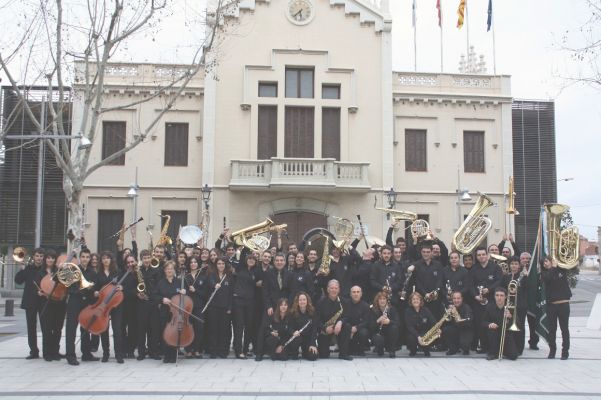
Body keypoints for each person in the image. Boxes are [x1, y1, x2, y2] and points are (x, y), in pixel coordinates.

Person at [64, 248, 98, 365]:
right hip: (74, 301)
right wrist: (84, 289)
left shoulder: (92, 272)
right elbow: (69, 287)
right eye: (83, 257)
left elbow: (94, 288)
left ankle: (86, 354)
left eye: (87, 257)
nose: (85, 259)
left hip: (86, 303)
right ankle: (70, 356)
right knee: (71, 329)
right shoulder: (73, 270)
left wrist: (93, 290)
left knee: (86, 328)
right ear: (80, 258)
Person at [94, 251, 126, 363]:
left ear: (111, 260)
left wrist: (122, 287)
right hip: (104, 305)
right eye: (103, 258)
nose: (106, 260)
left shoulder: (117, 272)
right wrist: (96, 292)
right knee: (104, 329)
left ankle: (118, 354)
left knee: (117, 329)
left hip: (116, 304)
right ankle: (106, 354)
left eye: (108, 258)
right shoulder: (98, 274)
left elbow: (124, 284)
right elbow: (96, 288)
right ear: (101, 261)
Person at [471, 247, 503, 353]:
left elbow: (499, 281)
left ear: (487, 255)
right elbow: (470, 285)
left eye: (483, 254)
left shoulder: (496, 267)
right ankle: (483, 346)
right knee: (480, 323)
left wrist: (489, 289)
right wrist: (475, 296)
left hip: (492, 300)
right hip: (478, 301)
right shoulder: (473, 269)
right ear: (476, 257)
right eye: (479, 255)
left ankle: (493, 347)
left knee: (492, 323)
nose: (481, 256)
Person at [14, 247, 44, 360]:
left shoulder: (45, 270)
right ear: (33, 257)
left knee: (45, 327)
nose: (39, 258)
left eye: (41, 256)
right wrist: (22, 269)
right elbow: (18, 281)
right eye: (37, 256)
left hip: (43, 301)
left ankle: (47, 350)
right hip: (30, 302)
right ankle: (34, 351)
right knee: (31, 328)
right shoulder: (27, 268)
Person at [37, 249, 66, 361]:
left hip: (59, 303)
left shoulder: (58, 271)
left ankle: (55, 352)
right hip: (45, 303)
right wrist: (39, 292)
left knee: (58, 329)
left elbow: (65, 285)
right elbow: (36, 287)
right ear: (45, 259)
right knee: (47, 330)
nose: (50, 260)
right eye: (48, 258)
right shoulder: (40, 272)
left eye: (53, 258)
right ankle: (47, 353)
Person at [542, 256, 572, 360]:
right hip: (552, 306)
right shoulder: (545, 273)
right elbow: (548, 279)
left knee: (564, 329)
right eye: (543, 263)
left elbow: (570, 266)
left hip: (564, 304)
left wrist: (557, 265)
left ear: (551, 261)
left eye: (546, 261)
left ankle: (565, 352)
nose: (545, 264)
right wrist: (553, 268)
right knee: (552, 329)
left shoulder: (561, 269)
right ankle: (552, 350)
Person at [232, 251, 260, 359]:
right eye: (249, 259)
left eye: (253, 259)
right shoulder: (240, 268)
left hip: (250, 302)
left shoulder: (256, 271)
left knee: (249, 327)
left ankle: (245, 349)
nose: (251, 260)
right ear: (246, 260)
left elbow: (260, 281)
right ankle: (238, 350)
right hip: (238, 301)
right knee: (239, 326)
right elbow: (242, 254)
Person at [315, 280, 353, 360]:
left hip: (338, 329)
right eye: (332, 288)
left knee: (347, 326)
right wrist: (325, 328)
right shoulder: (320, 302)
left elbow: (348, 316)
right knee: (323, 355)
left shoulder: (344, 301)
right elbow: (316, 320)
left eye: (336, 288)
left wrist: (340, 322)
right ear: (327, 289)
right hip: (325, 330)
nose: (334, 290)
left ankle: (343, 354)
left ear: (339, 290)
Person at [136, 249, 161, 361]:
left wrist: (154, 297)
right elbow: (134, 285)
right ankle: (141, 353)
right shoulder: (138, 271)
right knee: (141, 329)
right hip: (141, 303)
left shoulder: (156, 270)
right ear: (141, 259)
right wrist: (138, 293)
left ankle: (153, 352)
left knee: (153, 329)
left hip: (153, 302)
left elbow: (158, 286)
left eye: (148, 258)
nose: (146, 260)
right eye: (144, 258)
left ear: (151, 258)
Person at [154, 261, 182, 363]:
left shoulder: (179, 282)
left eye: (171, 268)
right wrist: (162, 299)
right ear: (165, 271)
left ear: (174, 270)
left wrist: (184, 292)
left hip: (176, 312)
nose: (169, 270)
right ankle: (166, 355)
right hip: (164, 311)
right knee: (165, 332)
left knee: (175, 333)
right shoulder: (160, 283)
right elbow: (154, 295)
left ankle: (173, 355)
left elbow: (185, 296)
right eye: (167, 269)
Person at [500, 256, 529, 355]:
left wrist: (526, 277)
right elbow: (502, 289)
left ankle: (519, 348)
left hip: (520, 305)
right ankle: (510, 347)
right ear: (509, 265)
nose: (514, 266)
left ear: (519, 265)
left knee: (520, 326)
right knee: (508, 326)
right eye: (512, 264)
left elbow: (527, 288)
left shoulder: (523, 276)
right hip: (509, 305)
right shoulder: (506, 277)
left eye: (516, 264)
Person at [207, 257, 234, 359]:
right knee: (213, 329)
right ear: (216, 265)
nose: (221, 265)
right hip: (213, 306)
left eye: (223, 263)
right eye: (219, 263)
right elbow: (210, 283)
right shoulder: (211, 275)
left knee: (224, 330)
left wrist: (230, 307)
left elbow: (231, 293)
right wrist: (214, 285)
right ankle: (213, 351)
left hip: (225, 307)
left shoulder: (229, 276)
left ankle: (223, 350)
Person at [483, 287, 518, 361]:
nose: (499, 298)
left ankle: (502, 350)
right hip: (494, 333)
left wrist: (510, 316)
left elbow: (518, 323)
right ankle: (493, 353)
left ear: (505, 297)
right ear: (494, 296)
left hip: (506, 333)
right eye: (497, 295)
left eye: (501, 295)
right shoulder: (489, 307)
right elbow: (483, 321)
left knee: (513, 356)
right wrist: (490, 324)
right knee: (492, 332)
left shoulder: (511, 307)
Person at [185, 256, 208, 358]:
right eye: (191, 262)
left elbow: (206, 293)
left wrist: (196, 291)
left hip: (199, 306)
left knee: (199, 328)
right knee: (188, 328)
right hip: (188, 306)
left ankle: (197, 349)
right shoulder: (185, 277)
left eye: (195, 262)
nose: (193, 264)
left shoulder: (203, 277)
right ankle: (189, 350)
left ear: (198, 264)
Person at [287, 292, 319, 361]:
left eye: (304, 299)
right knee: (294, 357)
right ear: (297, 302)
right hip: (297, 338)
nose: (302, 301)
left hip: (307, 339)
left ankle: (305, 352)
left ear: (307, 301)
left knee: (313, 356)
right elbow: (289, 327)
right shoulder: (292, 312)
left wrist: (313, 344)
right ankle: (294, 352)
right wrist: (293, 332)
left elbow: (314, 329)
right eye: (300, 300)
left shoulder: (313, 312)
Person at [369, 291, 399, 358]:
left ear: (387, 300)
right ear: (377, 301)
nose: (382, 301)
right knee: (378, 341)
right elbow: (370, 327)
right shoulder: (372, 310)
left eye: (384, 299)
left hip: (389, 334)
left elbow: (398, 323)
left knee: (394, 328)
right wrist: (378, 320)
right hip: (377, 334)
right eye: (380, 299)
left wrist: (389, 322)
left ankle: (392, 350)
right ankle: (380, 349)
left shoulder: (392, 309)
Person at [404, 292, 435, 357]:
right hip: (413, 334)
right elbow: (409, 326)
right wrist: (418, 336)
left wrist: (437, 329)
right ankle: (413, 350)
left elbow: (433, 321)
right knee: (411, 338)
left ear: (420, 300)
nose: (416, 301)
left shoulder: (426, 310)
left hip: (424, 333)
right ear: (411, 301)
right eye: (413, 299)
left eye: (417, 299)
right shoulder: (407, 311)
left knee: (427, 353)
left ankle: (426, 349)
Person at [520, 251, 539, 350]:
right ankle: (519, 344)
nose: (526, 260)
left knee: (533, 324)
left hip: (532, 301)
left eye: (528, 259)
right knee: (520, 324)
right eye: (523, 258)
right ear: (520, 260)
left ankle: (533, 343)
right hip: (520, 302)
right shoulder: (517, 269)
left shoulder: (535, 271)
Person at [346, 286, 371, 356]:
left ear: (361, 294)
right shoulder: (345, 304)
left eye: (358, 292)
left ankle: (361, 350)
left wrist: (356, 328)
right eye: (354, 292)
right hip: (349, 329)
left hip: (360, 330)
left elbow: (366, 322)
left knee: (364, 332)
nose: (356, 294)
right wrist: (350, 328)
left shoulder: (366, 306)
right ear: (350, 294)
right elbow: (344, 318)